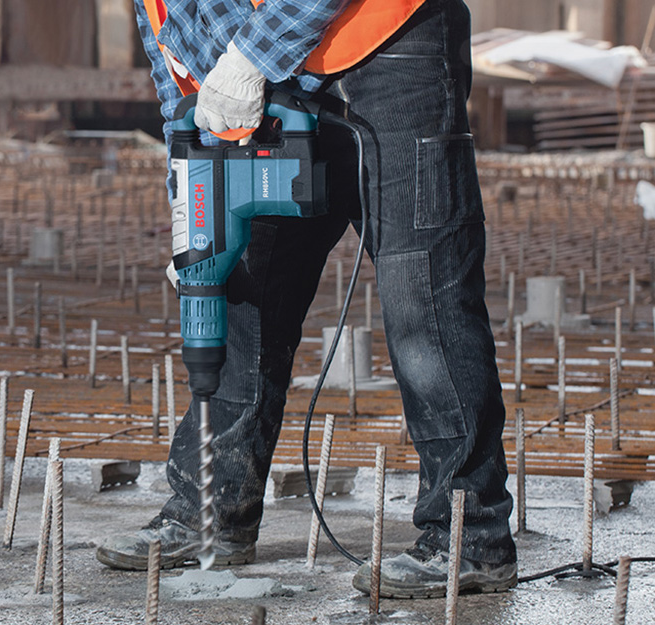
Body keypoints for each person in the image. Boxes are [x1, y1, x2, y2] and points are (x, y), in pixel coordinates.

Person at [97, 0, 517, 599]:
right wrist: (188, 209)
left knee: (421, 292)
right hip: (271, 77)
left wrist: (249, 56)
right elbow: (180, 94)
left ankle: (470, 539)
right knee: (245, 285)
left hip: (386, 40)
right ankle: (207, 511)